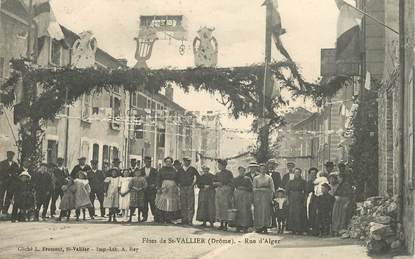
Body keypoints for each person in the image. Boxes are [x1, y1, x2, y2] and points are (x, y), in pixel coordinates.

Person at [155, 157, 181, 223]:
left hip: (172, 188)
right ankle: (162, 218)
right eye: (167, 161)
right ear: (165, 162)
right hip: (164, 187)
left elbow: (177, 179)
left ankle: (170, 218)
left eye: (169, 162)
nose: (168, 163)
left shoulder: (174, 170)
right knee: (162, 202)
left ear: (171, 163)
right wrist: (158, 188)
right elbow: (158, 179)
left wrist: (178, 187)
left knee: (171, 203)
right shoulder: (161, 170)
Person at [253, 164, 275, 234]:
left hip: (266, 197)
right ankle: (259, 227)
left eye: (264, 169)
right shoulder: (256, 178)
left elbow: (272, 188)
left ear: (266, 170)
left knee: (266, 212)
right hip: (258, 197)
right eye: (261, 169)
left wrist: (271, 197)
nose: (263, 170)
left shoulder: (269, 178)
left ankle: (265, 227)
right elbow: (254, 188)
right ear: (259, 169)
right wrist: (259, 190)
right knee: (259, 211)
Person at [213, 159, 234, 231]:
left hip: (226, 193)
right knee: (219, 207)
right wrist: (217, 184)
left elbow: (232, 183)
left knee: (226, 208)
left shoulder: (229, 173)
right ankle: (221, 223)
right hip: (219, 192)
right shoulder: (217, 174)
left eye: (220, 165)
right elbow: (213, 182)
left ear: (224, 166)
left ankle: (225, 224)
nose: (219, 166)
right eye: (219, 165)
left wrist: (226, 188)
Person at [286, 168, 307, 234]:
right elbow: (287, 191)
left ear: (300, 173)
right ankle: (293, 229)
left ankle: (299, 229)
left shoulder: (303, 181)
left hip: (300, 198)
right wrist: (287, 200)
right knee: (292, 213)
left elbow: (306, 192)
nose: (297, 174)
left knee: (299, 213)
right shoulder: (290, 181)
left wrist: (305, 200)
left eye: (298, 172)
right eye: (296, 172)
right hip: (292, 198)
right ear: (294, 173)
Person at [178, 157, 198, 225]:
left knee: (190, 204)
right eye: (185, 161)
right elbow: (176, 178)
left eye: (188, 161)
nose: (187, 162)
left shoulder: (192, 169)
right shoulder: (180, 169)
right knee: (183, 203)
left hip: (190, 188)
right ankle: (184, 219)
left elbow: (198, 177)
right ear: (183, 161)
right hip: (182, 188)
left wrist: (193, 184)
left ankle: (190, 220)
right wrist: (179, 184)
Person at [233, 166, 253, 233]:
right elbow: (234, 187)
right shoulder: (235, 179)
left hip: (245, 196)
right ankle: (238, 226)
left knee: (245, 211)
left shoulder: (247, 179)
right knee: (238, 210)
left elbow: (251, 188)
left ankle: (245, 226)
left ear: (244, 171)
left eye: (243, 171)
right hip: (238, 196)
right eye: (240, 171)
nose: (241, 172)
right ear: (238, 171)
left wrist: (244, 188)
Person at [140, 156, 158, 222]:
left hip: (152, 189)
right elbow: (139, 179)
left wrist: (154, 185)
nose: (148, 163)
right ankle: (144, 217)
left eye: (149, 162)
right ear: (144, 162)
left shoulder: (154, 170)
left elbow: (157, 179)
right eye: (146, 161)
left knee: (153, 203)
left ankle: (155, 216)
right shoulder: (141, 170)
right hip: (144, 190)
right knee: (144, 204)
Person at [306, 167, 320, 236]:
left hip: (317, 199)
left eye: (314, 173)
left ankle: (316, 229)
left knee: (316, 214)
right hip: (310, 199)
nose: (313, 175)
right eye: (311, 173)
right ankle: (311, 229)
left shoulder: (318, 182)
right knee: (310, 213)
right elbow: (306, 191)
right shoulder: (308, 182)